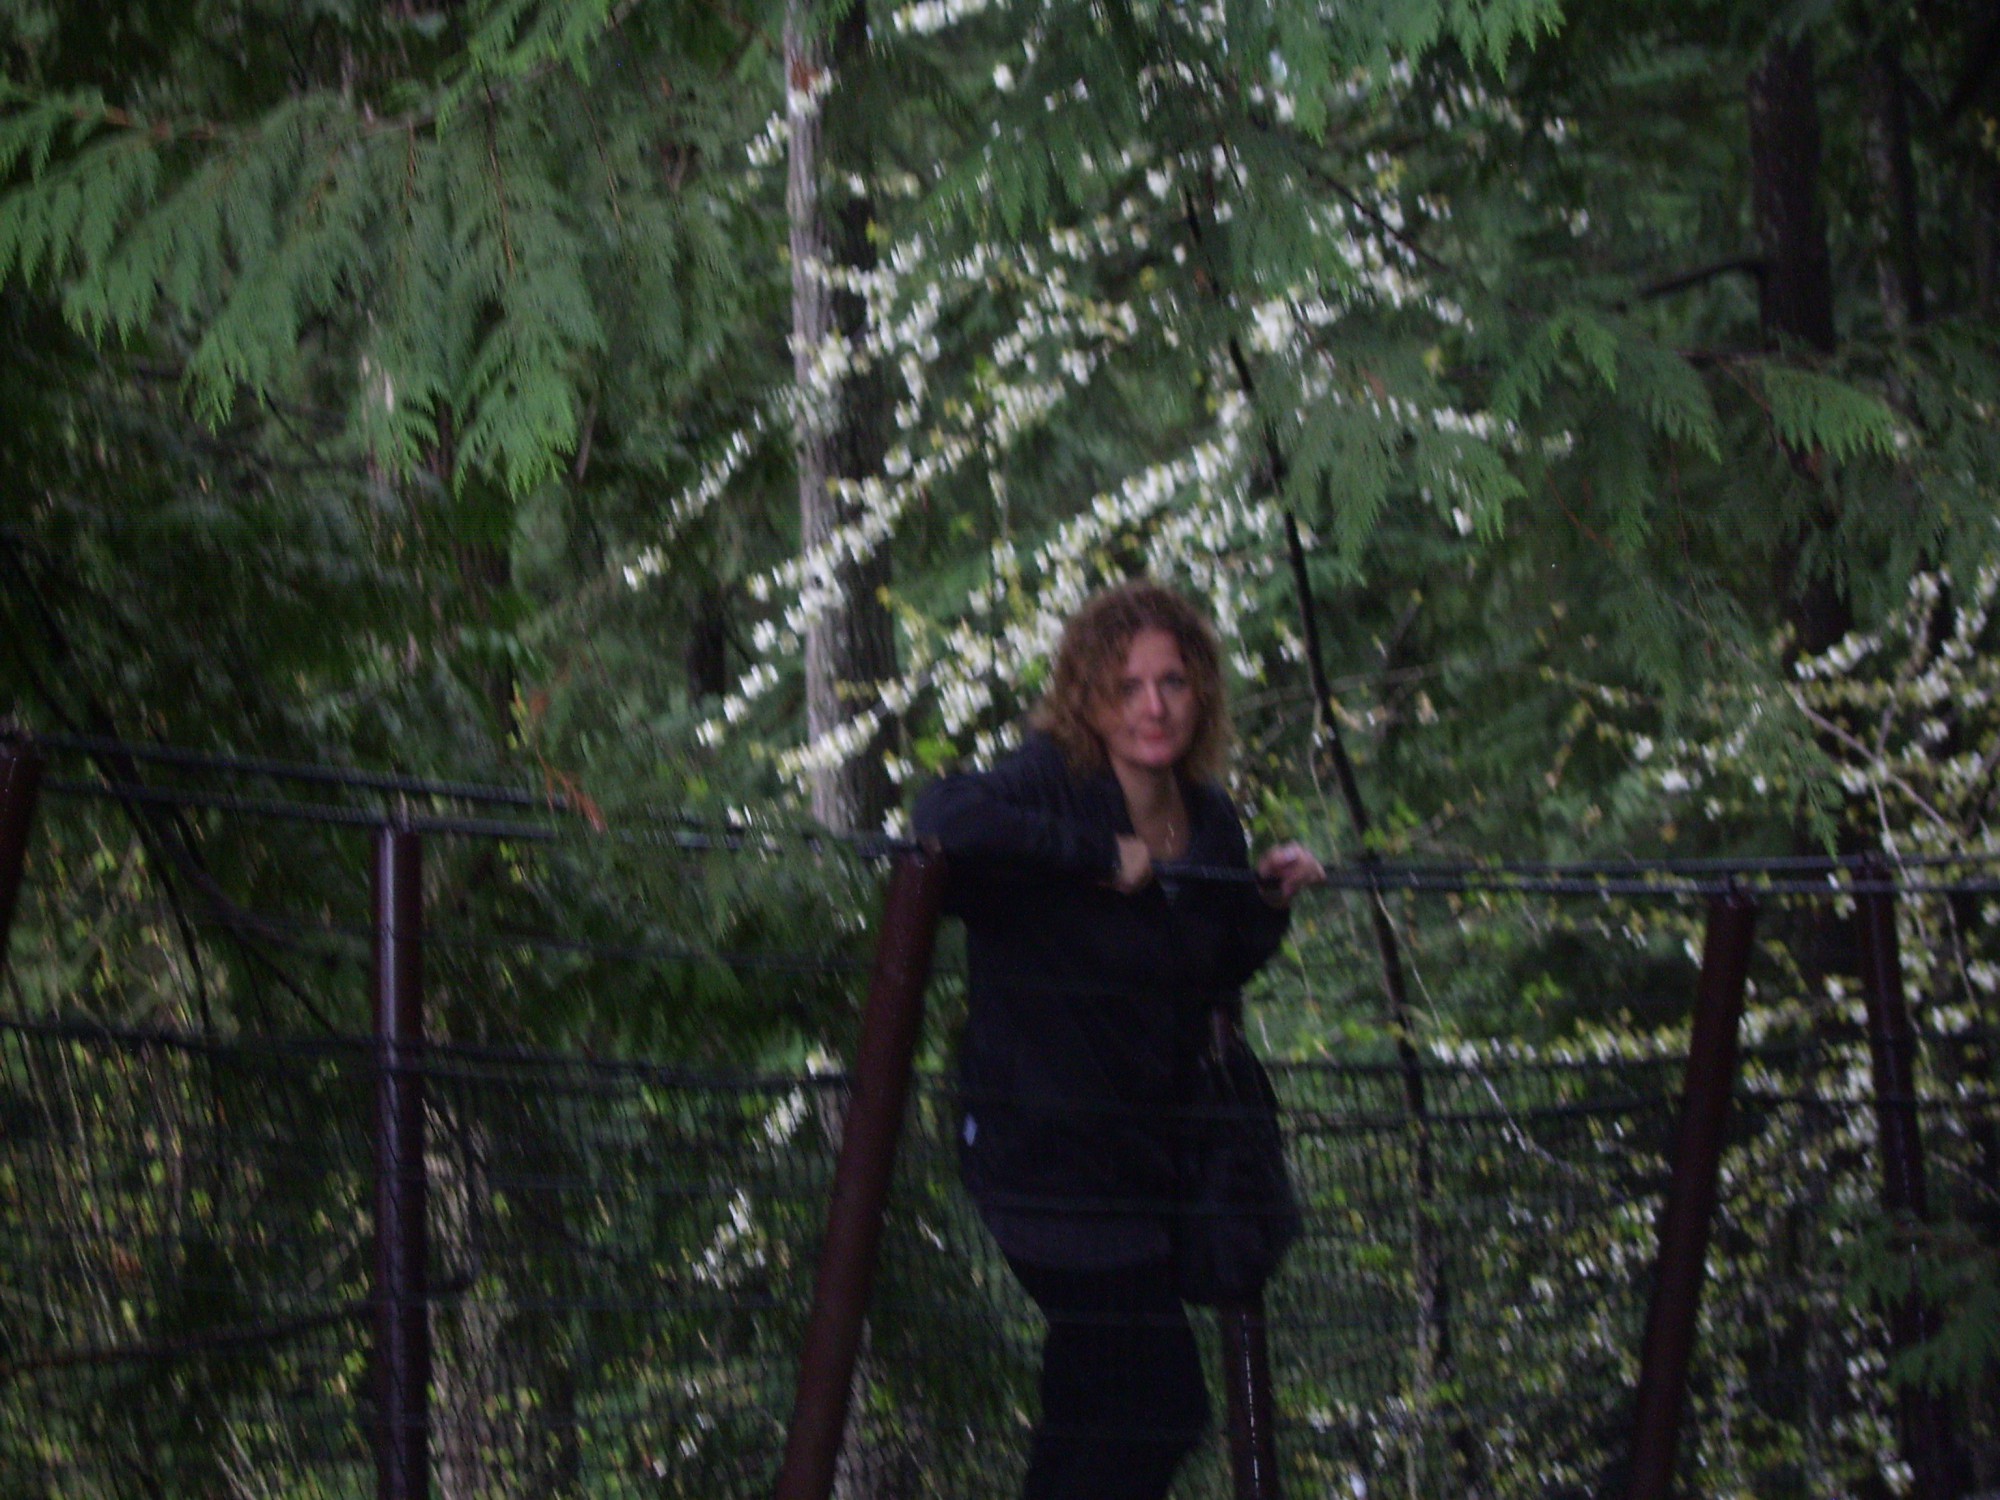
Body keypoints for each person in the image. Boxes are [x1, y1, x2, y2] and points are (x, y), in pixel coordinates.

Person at [913, 579, 1324, 1500]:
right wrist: (1097, 855)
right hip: (1042, 1158)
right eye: (1127, 685)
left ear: (1201, 692)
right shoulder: (1050, 781)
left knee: (1089, 1412)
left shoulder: (1208, 819)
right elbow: (940, 821)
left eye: (1172, 682)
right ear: (1088, 695)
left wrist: (1265, 903)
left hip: (1144, 1168)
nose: (1153, 707)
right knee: (1161, 1403)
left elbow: (1206, 971)